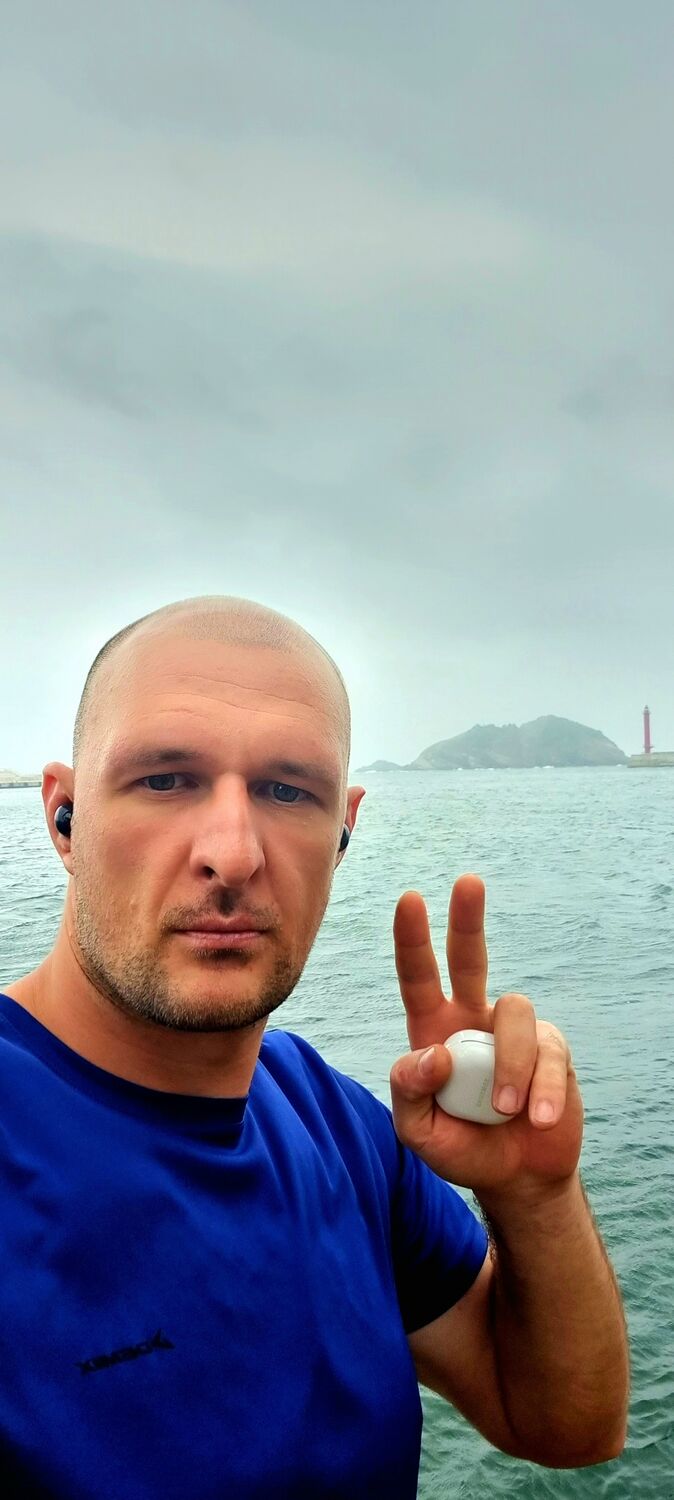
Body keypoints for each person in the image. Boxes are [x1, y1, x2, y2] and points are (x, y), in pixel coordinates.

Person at [1, 595, 628, 1498]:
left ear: (342, 833)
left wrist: (534, 1195)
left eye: (287, 790)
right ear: (64, 815)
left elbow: (566, 1425)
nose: (233, 853)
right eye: (166, 779)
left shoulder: (336, 1123)